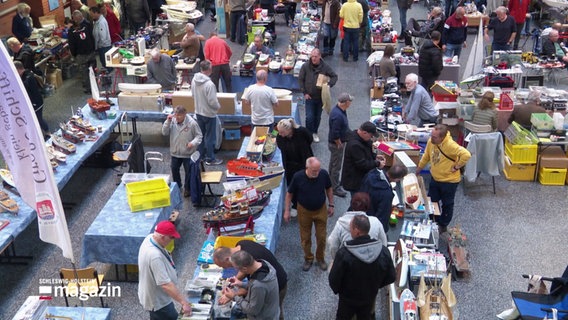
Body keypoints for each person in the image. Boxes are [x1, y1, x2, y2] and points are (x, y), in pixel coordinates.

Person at [328, 214, 396, 320]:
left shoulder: (344, 254)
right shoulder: (383, 252)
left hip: (347, 301)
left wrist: (342, 291)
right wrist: (376, 284)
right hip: (369, 298)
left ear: (356, 231)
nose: (349, 230)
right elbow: (391, 276)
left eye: (350, 227)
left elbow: (334, 281)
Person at [416, 124, 471, 233]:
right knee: (432, 201)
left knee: (447, 204)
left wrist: (456, 166)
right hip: (435, 178)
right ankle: (433, 221)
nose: (432, 138)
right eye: (431, 135)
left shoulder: (450, 145)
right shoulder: (431, 142)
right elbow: (426, 156)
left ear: (442, 137)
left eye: (435, 137)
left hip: (449, 182)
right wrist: (419, 169)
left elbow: (466, 154)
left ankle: (443, 224)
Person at [213, 240, 288, 320]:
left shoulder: (258, 285)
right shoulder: (261, 262)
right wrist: (241, 283)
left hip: (268, 308)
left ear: (244, 268)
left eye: (237, 269)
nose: (225, 268)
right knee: (274, 309)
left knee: (273, 310)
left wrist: (234, 296)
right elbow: (254, 285)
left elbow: (252, 310)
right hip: (270, 290)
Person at [284, 157, 334, 271]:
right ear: (307, 168)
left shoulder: (323, 174)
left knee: (321, 237)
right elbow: (289, 194)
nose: (316, 173)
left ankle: (320, 258)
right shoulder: (298, 177)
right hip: (304, 211)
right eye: (314, 171)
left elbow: (329, 188)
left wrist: (331, 204)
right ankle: (308, 258)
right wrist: (287, 210)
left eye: (318, 170)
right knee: (305, 238)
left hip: (321, 209)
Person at [138, 221, 192, 319]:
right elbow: (166, 285)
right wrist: (184, 302)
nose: (172, 240)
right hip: (158, 301)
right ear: (163, 237)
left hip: (155, 295)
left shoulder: (150, 237)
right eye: (171, 237)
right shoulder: (155, 256)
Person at [327, 192, 387, 260]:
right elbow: (383, 243)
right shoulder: (376, 222)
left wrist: (336, 259)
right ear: (368, 206)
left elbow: (332, 244)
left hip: (347, 262)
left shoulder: (340, 224)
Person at [161, 106, 203, 197]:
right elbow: (164, 132)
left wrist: (192, 143)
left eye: (180, 115)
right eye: (176, 115)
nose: (177, 117)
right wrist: (167, 122)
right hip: (175, 152)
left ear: (184, 115)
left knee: (189, 172)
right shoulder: (171, 121)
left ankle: (187, 188)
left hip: (187, 153)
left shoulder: (192, 123)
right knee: (174, 169)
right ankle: (177, 186)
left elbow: (199, 136)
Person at [298, 49, 338, 142]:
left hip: (321, 97)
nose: (313, 58)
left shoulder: (325, 67)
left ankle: (315, 132)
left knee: (317, 116)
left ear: (320, 56)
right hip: (309, 97)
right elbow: (301, 79)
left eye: (315, 56)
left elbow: (334, 76)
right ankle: (308, 134)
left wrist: (328, 85)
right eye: (312, 56)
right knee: (309, 117)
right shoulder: (305, 66)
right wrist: (304, 92)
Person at [360, 164, 408, 233]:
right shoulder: (386, 194)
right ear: (397, 179)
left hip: (360, 214)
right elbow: (383, 216)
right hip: (370, 224)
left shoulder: (371, 174)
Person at [192, 60, 223, 166]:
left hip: (198, 112)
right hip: (209, 114)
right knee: (210, 137)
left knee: (200, 135)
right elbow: (212, 101)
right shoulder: (210, 84)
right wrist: (218, 107)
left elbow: (192, 94)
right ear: (210, 69)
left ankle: (201, 156)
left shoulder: (194, 80)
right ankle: (210, 158)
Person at [342, 121, 382, 194]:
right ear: (364, 133)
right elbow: (362, 164)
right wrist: (377, 163)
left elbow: (366, 151)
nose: (371, 138)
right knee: (358, 203)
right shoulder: (354, 145)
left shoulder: (361, 138)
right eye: (371, 136)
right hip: (355, 181)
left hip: (360, 177)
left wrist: (375, 156)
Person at [14, 61, 49, 138]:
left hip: (36, 103)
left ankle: (47, 132)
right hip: (36, 101)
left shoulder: (28, 78)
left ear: (18, 69)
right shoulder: (27, 74)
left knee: (38, 119)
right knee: (36, 119)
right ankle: (43, 133)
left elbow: (28, 90)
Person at [276, 118, 313, 187]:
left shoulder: (301, 131)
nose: (280, 134)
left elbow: (310, 139)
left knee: (305, 182)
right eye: (279, 132)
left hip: (303, 162)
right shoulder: (280, 137)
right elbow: (280, 146)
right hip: (290, 165)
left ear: (289, 130)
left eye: (282, 132)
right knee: (292, 185)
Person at [328, 93, 353, 198]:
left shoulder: (339, 110)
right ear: (346, 102)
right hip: (336, 144)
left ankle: (331, 181)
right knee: (336, 166)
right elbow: (335, 133)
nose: (351, 103)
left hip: (336, 142)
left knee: (333, 163)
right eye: (350, 101)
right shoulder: (338, 116)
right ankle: (334, 187)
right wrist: (339, 143)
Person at [68, 10, 97, 94]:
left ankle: (88, 89)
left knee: (84, 72)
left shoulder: (71, 31)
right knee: (93, 69)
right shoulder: (87, 25)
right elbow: (92, 37)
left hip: (81, 55)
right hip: (91, 52)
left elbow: (72, 45)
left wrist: (74, 54)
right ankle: (95, 86)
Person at [89, 6, 112, 72]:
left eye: (92, 14)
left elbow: (103, 37)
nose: (91, 16)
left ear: (96, 12)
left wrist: (99, 45)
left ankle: (109, 75)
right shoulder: (97, 21)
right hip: (101, 46)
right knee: (104, 62)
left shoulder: (101, 22)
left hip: (104, 47)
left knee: (106, 63)